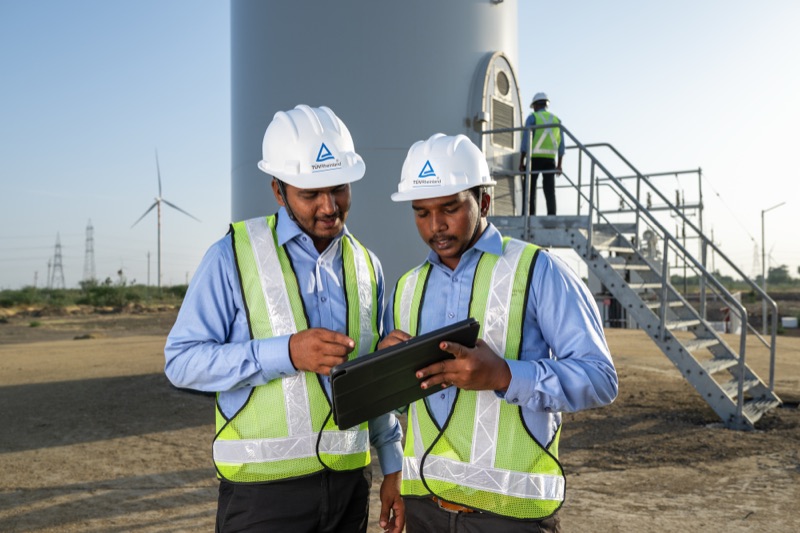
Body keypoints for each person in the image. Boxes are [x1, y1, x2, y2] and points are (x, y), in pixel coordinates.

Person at [164, 104, 405, 533]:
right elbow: (181, 363)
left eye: (339, 189)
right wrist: (287, 353)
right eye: (310, 194)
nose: (329, 206)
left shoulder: (369, 266)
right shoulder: (231, 256)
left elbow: (370, 386)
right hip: (263, 499)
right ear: (278, 191)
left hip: (350, 488)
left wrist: (392, 464)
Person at [384, 133, 618, 532]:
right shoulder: (407, 287)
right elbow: (411, 407)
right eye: (421, 212)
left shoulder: (539, 271)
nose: (436, 226)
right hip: (426, 508)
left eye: (450, 208)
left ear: (485, 201)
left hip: (510, 516)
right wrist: (390, 371)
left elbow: (600, 378)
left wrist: (505, 375)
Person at [518, 92, 564, 216]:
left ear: (536, 105)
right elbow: (561, 146)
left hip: (534, 159)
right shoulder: (556, 120)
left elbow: (525, 142)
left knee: (529, 189)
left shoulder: (532, 118)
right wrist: (559, 165)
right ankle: (552, 216)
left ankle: (529, 215)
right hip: (550, 160)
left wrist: (521, 161)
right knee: (549, 190)